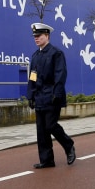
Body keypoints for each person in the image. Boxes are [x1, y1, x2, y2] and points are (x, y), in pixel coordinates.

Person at [27, 22, 76, 169]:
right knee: (41, 130)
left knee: (51, 125)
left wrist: (57, 93)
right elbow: (33, 77)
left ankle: (69, 146)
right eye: (34, 36)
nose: (36, 38)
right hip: (40, 97)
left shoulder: (56, 53)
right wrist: (30, 95)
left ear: (47, 36)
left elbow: (60, 75)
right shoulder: (35, 56)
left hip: (52, 96)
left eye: (39, 36)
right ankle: (47, 160)